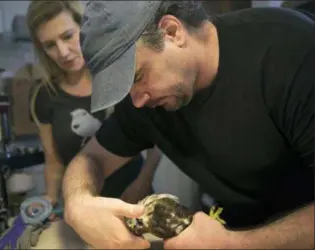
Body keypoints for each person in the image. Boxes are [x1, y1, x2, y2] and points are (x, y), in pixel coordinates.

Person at [62, 1, 314, 249]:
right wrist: (78, 203)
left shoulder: (291, 53)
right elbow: (91, 158)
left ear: (172, 32)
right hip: (232, 227)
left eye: (138, 76)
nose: (137, 101)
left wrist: (235, 244)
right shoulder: (143, 100)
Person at [26, 0, 162, 214]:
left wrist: (141, 184)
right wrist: (48, 200)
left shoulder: (121, 75)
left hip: (135, 201)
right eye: (50, 45)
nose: (63, 52)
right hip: (86, 211)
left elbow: (155, 141)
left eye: (67, 36)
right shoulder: (44, 96)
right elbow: (53, 161)